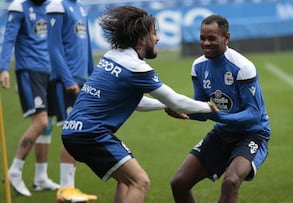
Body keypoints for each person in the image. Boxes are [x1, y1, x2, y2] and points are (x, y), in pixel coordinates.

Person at [60, 6, 217, 203]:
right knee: (140, 182)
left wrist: (163, 106)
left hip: (73, 132)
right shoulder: (136, 68)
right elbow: (176, 100)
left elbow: (135, 102)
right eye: (154, 33)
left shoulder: (112, 55)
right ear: (142, 38)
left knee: (126, 181)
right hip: (92, 134)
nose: (158, 38)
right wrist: (209, 108)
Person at [168, 14, 271, 203]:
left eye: (212, 38)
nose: (205, 43)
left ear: (226, 37)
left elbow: (254, 114)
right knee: (179, 183)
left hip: (252, 135)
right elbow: (202, 110)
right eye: (202, 38)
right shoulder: (198, 66)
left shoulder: (242, 67)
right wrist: (185, 113)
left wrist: (218, 117)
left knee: (231, 181)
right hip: (222, 133)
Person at [0, 0, 59, 197]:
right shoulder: (19, 7)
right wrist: (3, 69)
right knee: (40, 122)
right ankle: (14, 171)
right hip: (29, 70)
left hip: (48, 70)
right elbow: (8, 39)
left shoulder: (51, 6)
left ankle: (40, 178)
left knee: (48, 123)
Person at [45, 0, 97, 202]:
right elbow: (53, 47)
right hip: (65, 81)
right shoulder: (57, 6)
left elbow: (88, 46)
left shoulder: (81, 6)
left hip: (82, 79)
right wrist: (67, 79)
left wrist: (94, 76)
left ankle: (69, 189)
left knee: (78, 131)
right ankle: (65, 189)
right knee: (73, 131)